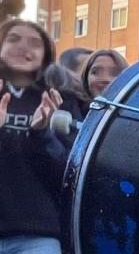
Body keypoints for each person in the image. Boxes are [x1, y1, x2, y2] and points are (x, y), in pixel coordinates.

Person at [0, 19, 81, 253]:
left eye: (34, 43)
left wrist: (41, 134)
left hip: (37, 234)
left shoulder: (59, 98)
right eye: (14, 39)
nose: (24, 47)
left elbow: (66, 174)